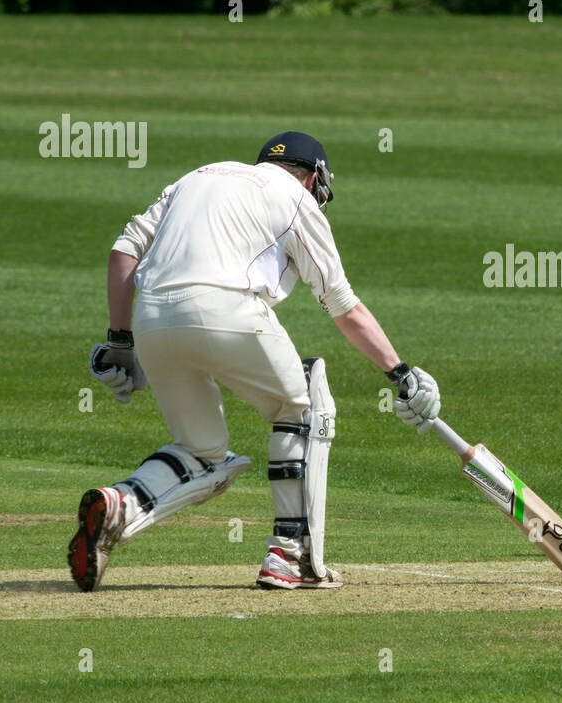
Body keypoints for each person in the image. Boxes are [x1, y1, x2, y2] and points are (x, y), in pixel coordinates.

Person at [71, 131, 440, 592]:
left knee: (204, 453)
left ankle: (120, 504)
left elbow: (124, 252)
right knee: (304, 406)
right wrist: (400, 372)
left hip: (153, 319)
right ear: (313, 179)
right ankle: (291, 555)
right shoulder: (295, 200)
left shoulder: (196, 177)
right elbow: (343, 306)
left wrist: (119, 339)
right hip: (228, 310)